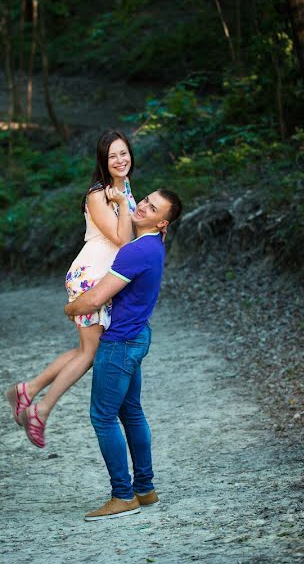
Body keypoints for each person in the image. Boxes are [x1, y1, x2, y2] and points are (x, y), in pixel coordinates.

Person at [5, 130, 138, 448]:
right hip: (89, 276)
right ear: (103, 162)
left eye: (124, 153)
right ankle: (40, 410)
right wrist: (120, 203)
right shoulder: (99, 195)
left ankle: (26, 390)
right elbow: (122, 240)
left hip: (104, 277)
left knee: (85, 351)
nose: (120, 160)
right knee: (90, 353)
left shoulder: (125, 188)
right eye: (113, 156)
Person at [64, 188, 183, 522]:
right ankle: (144, 488)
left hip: (119, 343)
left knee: (103, 416)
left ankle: (123, 495)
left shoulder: (136, 251)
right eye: (145, 200)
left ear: (164, 223)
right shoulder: (151, 246)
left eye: (153, 208)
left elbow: (93, 300)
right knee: (131, 412)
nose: (143, 206)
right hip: (136, 335)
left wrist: (69, 308)